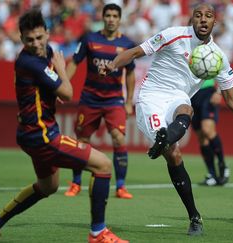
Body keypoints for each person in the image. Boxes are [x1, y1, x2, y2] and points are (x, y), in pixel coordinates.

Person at [105, 3, 233, 236]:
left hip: (178, 98)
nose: (203, 19)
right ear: (192, 19)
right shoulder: (173, 35)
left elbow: (232, 100)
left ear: (215, 22)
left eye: (208, 16)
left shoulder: (218, 56)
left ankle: (194, 216)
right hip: (151, 97)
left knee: (186, 109)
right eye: (198, 15)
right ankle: (167, 145)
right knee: (174, 154)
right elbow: (134, 52)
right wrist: (112, 64)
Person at [0, 9, 128, 243]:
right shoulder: (30, 62)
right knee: (103, 165)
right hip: (43, 136)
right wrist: (60, 69)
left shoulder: (42, 53)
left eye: (39, 37)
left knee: (48, 186)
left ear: (47, 33)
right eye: (29, 40)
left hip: (30, 133)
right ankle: (98, 233)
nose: (36, 44)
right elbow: (67, 94)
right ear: (21, 39)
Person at [64, 3, 135, 199]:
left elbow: (130, 74)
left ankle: (121, 187)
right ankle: (76, 183)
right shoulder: (90, 39)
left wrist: (129, 101)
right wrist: (63, 85)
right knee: (82, 141)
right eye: (108, 15)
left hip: (114, 100)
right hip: (90, 98)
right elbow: (75, 63)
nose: (111, 19)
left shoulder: (127, 45)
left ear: (120, 19)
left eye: (115, 16)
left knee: (118, 138)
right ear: (103, 18)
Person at [190, 79, 230, 186]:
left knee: (207, 130)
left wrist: (218, 92)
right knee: (201, 137)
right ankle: (212, 174)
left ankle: (222, 165)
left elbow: (223, 71)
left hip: (207, 92)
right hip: (191, 93)